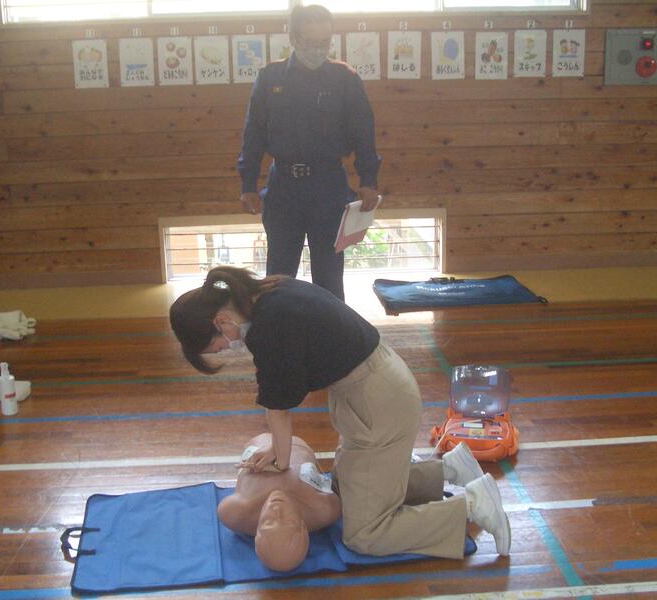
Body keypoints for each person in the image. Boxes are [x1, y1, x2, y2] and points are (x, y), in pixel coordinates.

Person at [170, 266, 511, 560]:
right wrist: (276, 449)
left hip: (379, 401)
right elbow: (280, 391)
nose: (228, 347)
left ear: (221, 320)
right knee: (344, 488)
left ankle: (472, 506)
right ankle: (449, 469)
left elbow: (279, 405)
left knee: (364, 534)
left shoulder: (269, 324)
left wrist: (279, 458)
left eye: (219, 345)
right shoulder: (271, 292)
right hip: (370, 389)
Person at [237, 4, 381, 301]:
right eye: (310, 42)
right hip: (283, 187)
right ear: (293, 39)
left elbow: (363, 133)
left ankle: (331, 330)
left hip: (328, 186)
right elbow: (253, 134)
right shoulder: (270, 78)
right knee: (278, 276)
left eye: (324, 42)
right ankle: (276, 328)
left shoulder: (345, 78)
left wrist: (369, 180)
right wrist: (248, 184)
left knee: (329, 276)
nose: (318, 49)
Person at [217, 433, 341, 571]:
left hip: (260, 443)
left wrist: (258, 496)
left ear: (256, 531)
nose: (276, 510)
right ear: (302, 526)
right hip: (297, 445)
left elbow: (225, 508)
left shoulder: (237, 515)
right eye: (288, 521)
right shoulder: (322, 511)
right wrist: (300, 494)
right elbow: (334, 503)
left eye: (268, 522)